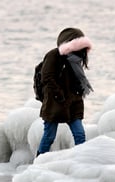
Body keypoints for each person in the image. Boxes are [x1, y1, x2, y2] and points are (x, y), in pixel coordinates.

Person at [37, 27, 94, 156]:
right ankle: (38, 163)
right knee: (49, 136)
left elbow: (78, 80)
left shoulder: (77, 59)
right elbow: (47, 77)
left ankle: (81, 161)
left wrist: (78, 92)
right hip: (55, 103)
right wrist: (59, 95)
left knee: (80, 134)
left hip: (74, 102)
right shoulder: (53, 55)